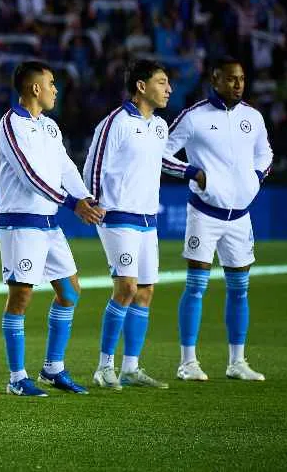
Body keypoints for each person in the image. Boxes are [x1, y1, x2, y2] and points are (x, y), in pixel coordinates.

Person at [0, 61, 104, 397]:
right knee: (21, 297)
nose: (56, 89)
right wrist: (73, 204)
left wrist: (85, 197)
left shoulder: (49, 127)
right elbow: (30, 176)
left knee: (70, 292)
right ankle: (16, 377)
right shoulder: (10, 124)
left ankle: (53, 368)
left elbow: (65, 168)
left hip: (48, 224)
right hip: (21, 224)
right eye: (52, 83)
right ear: (35, 88)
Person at [163, 56, 273, 381]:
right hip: (204, 213)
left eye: (241, 79)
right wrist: (192, 172)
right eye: (231, 78)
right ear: (215, 80)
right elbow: (161, 152)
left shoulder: (253, 117)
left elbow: (265, 153)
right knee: (196, 286)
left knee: (240, 289)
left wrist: (256, 177)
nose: (238, 84)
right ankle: (187, 363)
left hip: (240, 217)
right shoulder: (194, 117)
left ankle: (237, 362)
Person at [86, 60, 194, 390]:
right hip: (117, 215)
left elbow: (163, 160)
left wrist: (192, 171)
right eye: (162, 82)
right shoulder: (115, 123)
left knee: (145, 292)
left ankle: (130, 368)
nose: (169, 89)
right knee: (127, 288)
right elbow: (94, 164)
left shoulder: (159, 126)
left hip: (148, 218)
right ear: (141, 86)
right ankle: (104, 367)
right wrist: (93, 200)